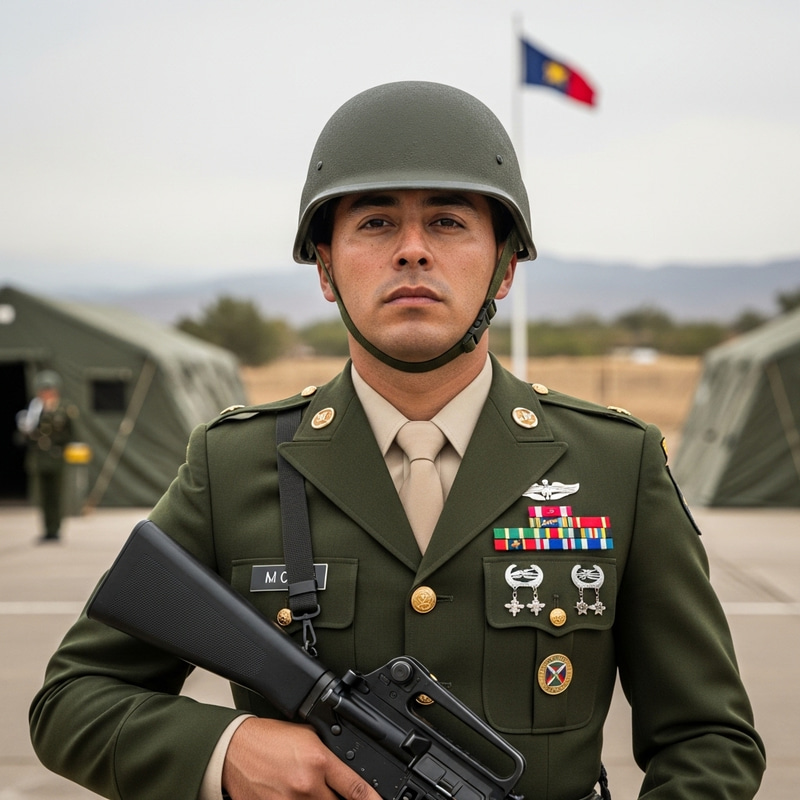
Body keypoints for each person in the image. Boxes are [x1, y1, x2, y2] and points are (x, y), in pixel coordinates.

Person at [30, 82, 765, 800]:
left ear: (503, 265)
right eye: (376, 224)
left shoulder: (614, 462)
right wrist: (226, 753)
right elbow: (73, 699)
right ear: (326, 267)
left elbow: (708, 738)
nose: (412, 251)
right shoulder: (234, 465)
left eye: (447, 222)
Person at [16, 370, 77, 543]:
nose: (46, 394)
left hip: (56, 459)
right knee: (43, 497)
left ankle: (56, 529)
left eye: (49, 390)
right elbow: (26, 435)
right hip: (39, 459)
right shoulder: (34, 410)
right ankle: (47, 529)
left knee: (56, 496)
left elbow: (71, 434)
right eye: (43, 390)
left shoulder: (65, 409)